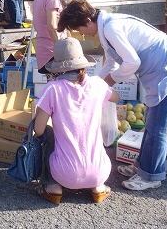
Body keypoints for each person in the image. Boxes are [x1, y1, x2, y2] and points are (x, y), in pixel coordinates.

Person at [57, 0, 167, 191]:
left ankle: (151, 176)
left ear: (87, 20)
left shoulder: (111, 28)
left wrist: (108, 82)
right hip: (159, 69)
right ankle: (142, 166)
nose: (81, 35)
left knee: (157, 125)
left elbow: (132, 63)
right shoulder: (105, 27)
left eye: (79, 29)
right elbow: (111, 63)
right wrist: (91, 84)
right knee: (151, 122)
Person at [34, 37, 120, 205]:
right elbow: (116, 97)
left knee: (49, 134)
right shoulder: (97, 84)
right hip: (101, 171)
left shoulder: (52, 89)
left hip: (64, 174)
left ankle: (53, 187)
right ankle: (98, 188)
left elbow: (38, 130)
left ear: (57, 68)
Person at [32, 0, 80, 70]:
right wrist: (61, 49)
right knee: (62, 85)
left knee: (53, 84)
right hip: (53, 53)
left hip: (43, 51)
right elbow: (52, 26)